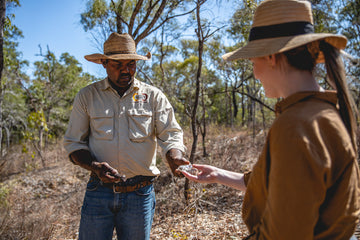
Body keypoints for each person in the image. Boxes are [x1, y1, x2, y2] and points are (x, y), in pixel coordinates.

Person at [181, 0, 360, 239]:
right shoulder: (324, 113)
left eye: (253, 61)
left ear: (272, 56)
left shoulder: (297, 125)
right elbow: (286, 186)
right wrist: (218, 175)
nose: (255, 72)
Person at [63, 32, 188, 240]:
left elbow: (171, 134)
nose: (126, 70)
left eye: (131, 64)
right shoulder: (88, 96)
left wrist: (173, 156)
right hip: (99, 192)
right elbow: (74, 144)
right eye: (117, 65)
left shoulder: (153, 96)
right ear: (104, 63)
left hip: (140, 194)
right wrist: (95, 167)